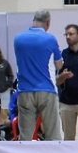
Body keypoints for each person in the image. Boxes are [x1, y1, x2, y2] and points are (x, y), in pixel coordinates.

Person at [13, 9, 63, 141]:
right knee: (53, 134)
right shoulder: (50, 38)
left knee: (25, 136)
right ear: (48, 22)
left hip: (24, 90)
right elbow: (59, 65)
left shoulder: (18, 39)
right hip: (46, 89)